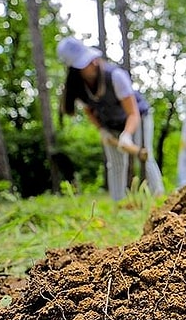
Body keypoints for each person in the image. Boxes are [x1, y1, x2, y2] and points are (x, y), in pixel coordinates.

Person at [57, 36, 164, 200]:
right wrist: (102, 130)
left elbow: (133, 113)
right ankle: (118, 203)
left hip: (137, 118)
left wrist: (127, 135)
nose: (93, 62)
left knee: (145, 157)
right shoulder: (78, 88)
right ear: (75, 69)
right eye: (85, 62)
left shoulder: (116, 76)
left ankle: (159, 198)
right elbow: (90, 112)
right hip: (110, 124)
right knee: (116, 164)